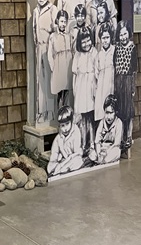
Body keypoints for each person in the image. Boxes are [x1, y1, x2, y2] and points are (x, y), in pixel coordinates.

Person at [32, 0, 57, 124]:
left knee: (49, 81)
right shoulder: (35, 11)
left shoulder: (53, 10)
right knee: (40, 81)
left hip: (49, 48)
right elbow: (34, 31)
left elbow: (56, 31)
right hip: (39, 48)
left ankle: (51, 111)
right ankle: (41, 111)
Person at [72, 27, 97, 155]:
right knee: (82, 119)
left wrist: (96, 90)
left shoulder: (94, 52)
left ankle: (92, 143)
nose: (86, 44)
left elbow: (97, 72)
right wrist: (75, 91)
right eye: (84, 41)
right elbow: (74, 74)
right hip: (81, 87)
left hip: (90, 87)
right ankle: (83, 144)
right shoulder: (77, 54)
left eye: (88, 40)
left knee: (90, 118)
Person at [113, 20, 137, 154]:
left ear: (129, 33)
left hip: (127, 81)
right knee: (120, 111)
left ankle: (128, 136)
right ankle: (121, 138)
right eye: (121, 35)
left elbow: (134, 70)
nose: (123, 37)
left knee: (128, 112)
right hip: (118, 82)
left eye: (125, 34)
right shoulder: (117, 48)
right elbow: (114, 65)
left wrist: (132, 87)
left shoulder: (132, 48)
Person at [47, 9, 72, 113]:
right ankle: (59, 112)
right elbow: (50, 53)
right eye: (61, 21)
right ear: (57, 21)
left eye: (65, 22)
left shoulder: (69, 35)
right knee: (59, 91)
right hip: (58, 66)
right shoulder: (53, 36)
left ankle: (66, 111)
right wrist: (53, 67)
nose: (63, 24)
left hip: (67, 66)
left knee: (66, 90)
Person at [47, 105, 83, 177]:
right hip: (62, 161)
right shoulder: (58, 138)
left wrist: (63, 163)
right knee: (50, 168)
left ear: (71, 122)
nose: (65, 128)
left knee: (78, 161)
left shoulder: (76, 132)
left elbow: (76, 153)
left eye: (67, 124)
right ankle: (60, 170)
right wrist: (56, 160)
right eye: (62, 125)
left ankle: (61, 170)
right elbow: (54, 156)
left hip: (72, 158)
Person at [89, 95, 122, 165]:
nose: (108, 117)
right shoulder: (102, 122)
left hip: (111, 149)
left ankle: (103, 161)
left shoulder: (118, 123)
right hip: (101, 148)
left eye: (111, 113)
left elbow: (116, 143)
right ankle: (99, 160)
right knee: (92, 155)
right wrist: (99, 153)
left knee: (116, 152)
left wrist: (106, 152)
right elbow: (97, 141)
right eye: (107, 113)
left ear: (115, 112)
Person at [94, 22, 115, 124]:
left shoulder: (114, 51)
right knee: (102, 110)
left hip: (111, 85)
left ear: (111, 37)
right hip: (101, 88)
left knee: (112, 109)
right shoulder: (99, 55)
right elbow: (96, 73)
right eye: (103, 38)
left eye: (107, 37)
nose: (105, 40)